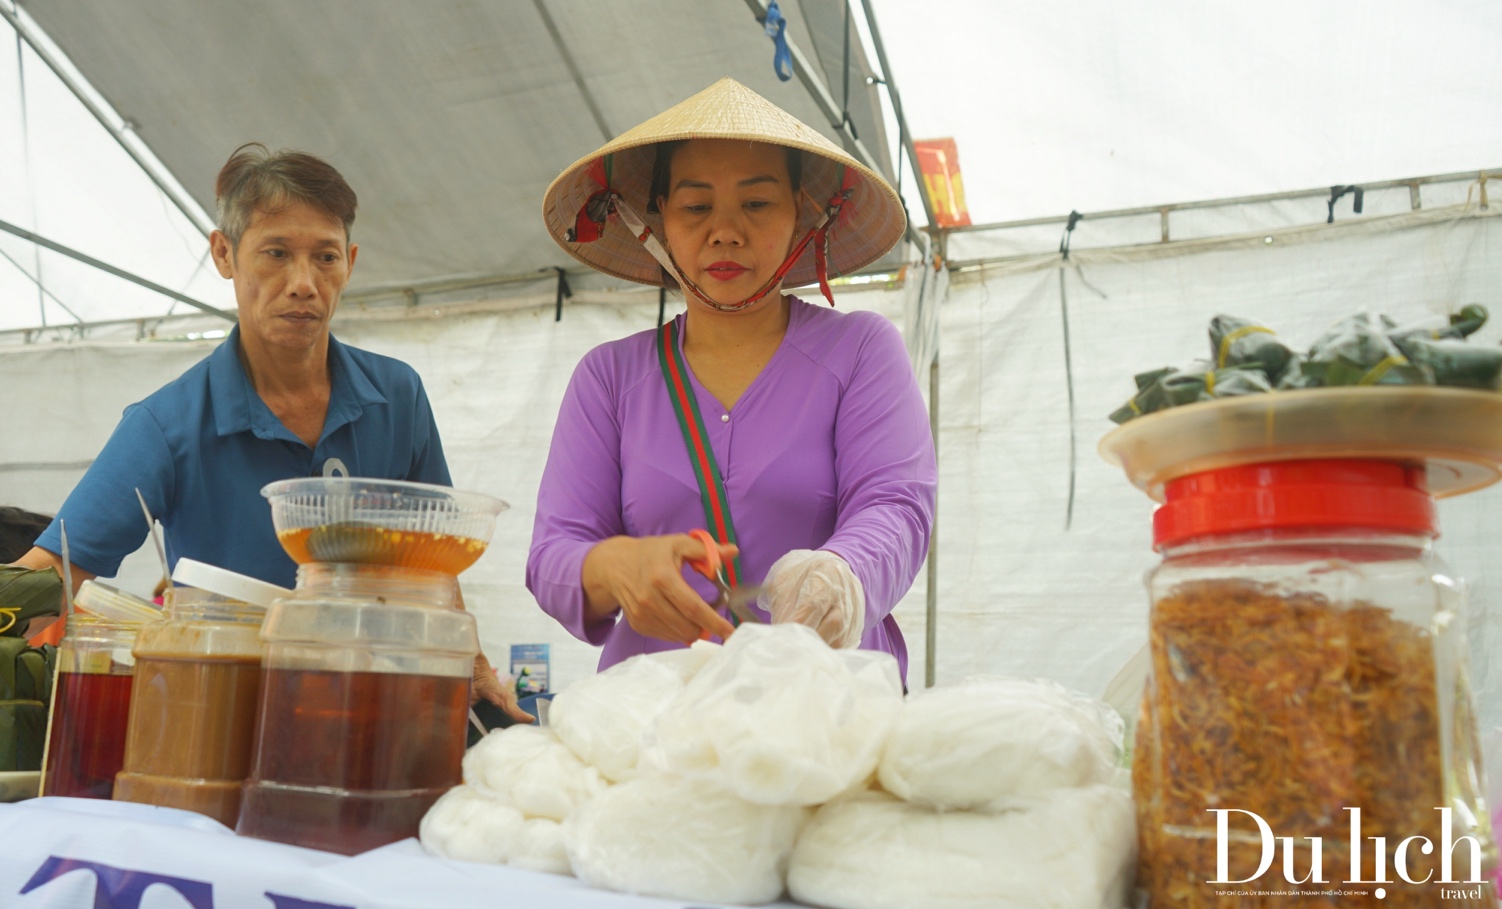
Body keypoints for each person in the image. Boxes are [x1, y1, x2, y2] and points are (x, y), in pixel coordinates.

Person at [12, 144, 526, 718]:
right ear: (224, 253)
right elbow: (55, 569)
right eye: (275, 253)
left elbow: (435, 565)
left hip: (379, 712)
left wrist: (473, 666)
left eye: (325, 258)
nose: (303, 283)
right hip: (225, 718)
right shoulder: (166, 424)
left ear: (350, 262)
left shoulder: (397, 397)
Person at [529, 78, 936, 684]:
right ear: (658, 218)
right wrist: (617, 566)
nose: (725, 231)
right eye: (695, 206)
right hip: (658, 713)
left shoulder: (861, 351)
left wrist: (842, 573)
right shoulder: (609, 379)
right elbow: (553, 556)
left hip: (827, 704)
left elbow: (897, 505)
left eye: (757, 203)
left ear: (801, 211)